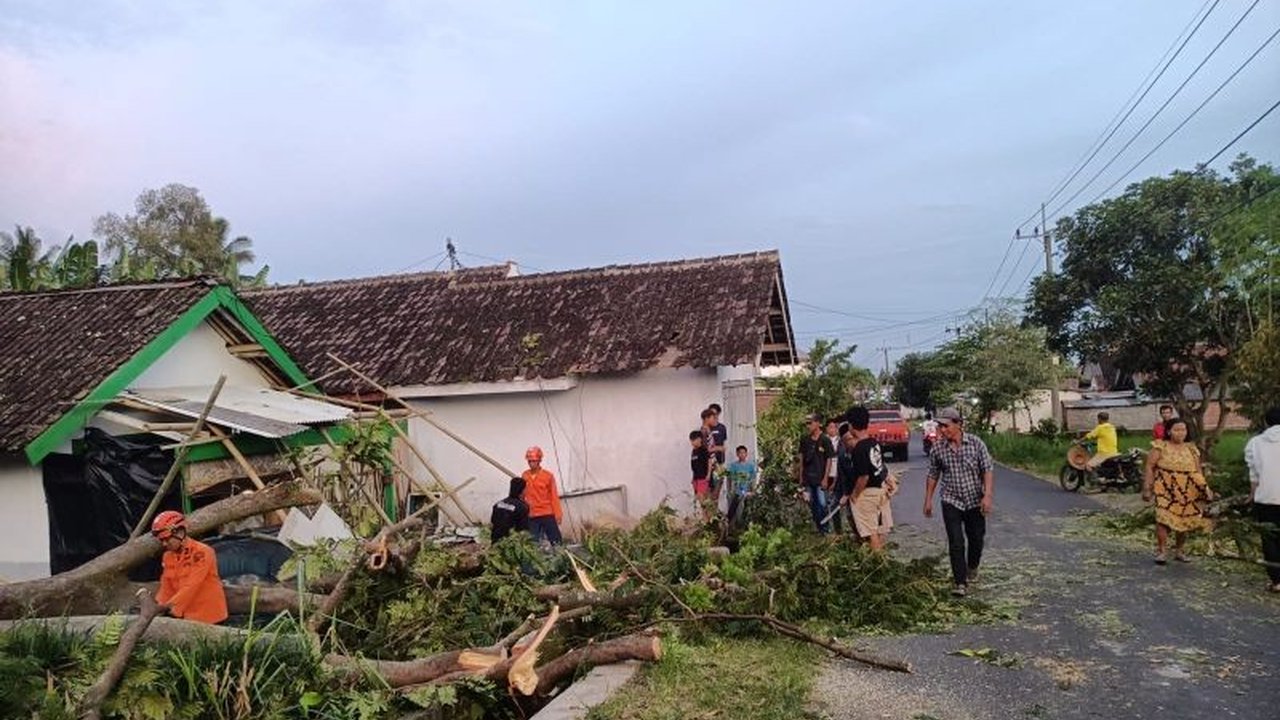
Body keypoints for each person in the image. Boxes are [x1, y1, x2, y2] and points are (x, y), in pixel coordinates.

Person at [923, 407, 994, 597]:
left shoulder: (976, 444)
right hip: (951, 499)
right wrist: (928, 500)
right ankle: (960, 582)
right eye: (940, 426)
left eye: (946, 426)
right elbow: (933, 474)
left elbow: (987, 469)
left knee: (976, 538)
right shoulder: (938, 448)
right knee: (956, 541)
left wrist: (987, 496)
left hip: (974, 500)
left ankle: (972, 567)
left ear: (958, 424)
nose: (942, 430)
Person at [1143, 418, 1212, 564]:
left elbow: (1198, 470)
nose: (1181, 433)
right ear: (1169, 431)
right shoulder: (1160, 447)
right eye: (1177, 430)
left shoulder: (1191, 449)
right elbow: (1149, 466)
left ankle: (1179, 551)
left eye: (1183, 430)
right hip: (1165, 488)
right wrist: (1147, 488)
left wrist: (1205, 488)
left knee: (1183, 519)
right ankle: (1162, 551)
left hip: (1188, 490)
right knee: (1162, 518)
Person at [152, 511, 228, 625]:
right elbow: (166, 586)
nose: (164, 544)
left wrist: (169, 607)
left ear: (180, 532)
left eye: (167, 539)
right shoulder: (168, 556)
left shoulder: (202, 552)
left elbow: (192, 585)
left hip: (210, 616)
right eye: (161, 540)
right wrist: (158, 607)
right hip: (186, 617)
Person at [839, 407, 893, 550]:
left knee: (870, 532)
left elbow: (863, 477)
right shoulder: (874, 443)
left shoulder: (860, 449)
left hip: (868, 493)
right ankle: (881, 556)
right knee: (879, 529)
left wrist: (855, 495)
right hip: (879, 490)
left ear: (851, 425)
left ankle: (877, 562)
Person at [1245, 406, 1280, 593]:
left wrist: (1252, 496)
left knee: (1270, 539)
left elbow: (1254, 475)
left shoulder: (1255, 443)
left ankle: (1277, 580)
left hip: (1266, 497)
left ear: (1266, 422)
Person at [797, 413, 835, 533]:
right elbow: (801, 459)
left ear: (818, 423)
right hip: (808, 478)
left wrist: (826, 478)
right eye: (807, 423)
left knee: (823, 504)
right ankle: (818, 526)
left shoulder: (825, 440)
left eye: (810, 423)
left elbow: (829, 459)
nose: (808, 426)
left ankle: (825, 528)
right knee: (812, 503)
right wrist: (800, 477)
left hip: (820, 478)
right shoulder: (805, 440)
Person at [522, 446, 563, 546]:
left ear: (539, 461)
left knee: (556, 541)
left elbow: (553, 496)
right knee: (531, 543)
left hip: (546, 513)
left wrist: (558, 514)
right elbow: (522, 496)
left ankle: (562, 558)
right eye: (529, 461)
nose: (531, 463)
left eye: (534, 461)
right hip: (531, 515)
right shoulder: (525, 475)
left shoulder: (548, 476)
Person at [725, 444, 758, 527]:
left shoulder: (750, 466)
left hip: (747, 491)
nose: (742, 454)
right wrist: (730, 490)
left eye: (744, 453)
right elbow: (731, 479)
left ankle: (746, 525)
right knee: (733, 507)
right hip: (737, 491)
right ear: (737, 454)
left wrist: (753, 491)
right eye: (740, 453)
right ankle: (727, 523)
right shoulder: (734, 466)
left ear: (746, 454)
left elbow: (753, 479)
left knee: (747, 508)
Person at [490, 477, 531, 542]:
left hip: (496, 541)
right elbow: (523, 529)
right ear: (522, 490)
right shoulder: (522, 507)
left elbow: (493, 523)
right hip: (512, 543)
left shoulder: (498, 504)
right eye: (525, 489)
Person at [823, 419, 844, 533]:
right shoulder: (823, 441)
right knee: (825, 503)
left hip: (838, 475)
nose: (832, 429)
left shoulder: (841, 442)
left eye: (834, 427)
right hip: (826, 475)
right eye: (830, 427)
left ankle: (838, 529)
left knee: (836, 503)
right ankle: (826, 528)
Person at [690, 430, 714, 519]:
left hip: (703, 478)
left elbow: (709, 462)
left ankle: (709, 520)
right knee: (700, 501)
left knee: (705, 501)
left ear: (699, 439)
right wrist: (693, 479)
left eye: (694, 439)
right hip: (696, 478)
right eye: (691, 440)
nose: (692, 442)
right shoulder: (693, 451)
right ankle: (705, 520)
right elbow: (693, 465)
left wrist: (708, 475)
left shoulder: (703, 450)